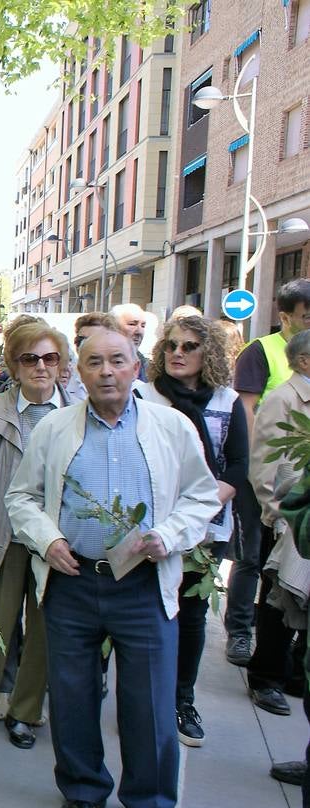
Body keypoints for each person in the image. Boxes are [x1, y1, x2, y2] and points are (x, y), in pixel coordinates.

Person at [5, 329, 219, 808]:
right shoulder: (54, 428)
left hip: (144, 584)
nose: (106, 372)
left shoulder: (172, 426)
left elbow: (201, 495)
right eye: (94, 362)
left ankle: (149, 805)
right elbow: (21, 497)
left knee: (148, 699)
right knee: (73, 694)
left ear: (136, 367)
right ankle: (82, 790)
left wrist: (169, 535)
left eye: (117, 361)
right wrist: (47, 539)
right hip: (73, 580)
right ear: (76, 372)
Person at [0, 320, 69, 748]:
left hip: (53, 542)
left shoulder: (76, 412)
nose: (40, 366)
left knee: (43, 631)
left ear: (60, 363)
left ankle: (25, 713)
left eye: (49, 358)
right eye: (30, 359)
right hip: (2, 539)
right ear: (14, 365)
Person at [137, 315, 246, 748]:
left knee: (191, 616)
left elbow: (238, 463)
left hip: (204, 531)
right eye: (171, 346)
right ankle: (145, 698)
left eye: (189, 347)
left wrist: (205, 501)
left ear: (209, 354)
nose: (178, 354)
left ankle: (182, 700)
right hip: (151, 524)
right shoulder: (145, 396)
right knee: (146, 612)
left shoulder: (227, 400)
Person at [228, 279, 310, 666]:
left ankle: (282, 650)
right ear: (285, 316)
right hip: (262, 475)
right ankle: (241, 634)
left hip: (297, 486)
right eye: (306, 317)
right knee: (252, 559)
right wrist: (265, 494)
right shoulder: (261, 350)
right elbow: (246, 412)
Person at [246, 329, 310, 719]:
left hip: (302, 521)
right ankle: (266, 677)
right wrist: (279, 516)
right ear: (303, 361)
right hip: (288, 521)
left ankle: (291, 674)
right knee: (275, 603)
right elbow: (267, 466)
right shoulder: (284, 399)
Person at [64, 312, 121, 404]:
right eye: (80, 340)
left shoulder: (130, 385)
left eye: (93, 340)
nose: (85, 346)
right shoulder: (63, 379)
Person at [110, 303, 150, 381]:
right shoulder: (99, 361)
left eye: (143, 326)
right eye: (132, 324)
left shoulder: (148, 367)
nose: (139, 331)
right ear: (113, 327)